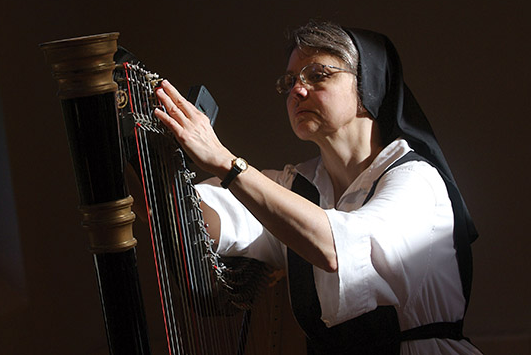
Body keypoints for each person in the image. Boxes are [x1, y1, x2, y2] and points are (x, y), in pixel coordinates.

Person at [154, 21, 481, 354]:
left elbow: (336, 248)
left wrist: (225, 161)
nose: (297, 90)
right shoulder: (295, 186)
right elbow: (190, 215)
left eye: (317, 75)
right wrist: (145, 155)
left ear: (367, 86)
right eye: (291, 80)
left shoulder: (416, 179)